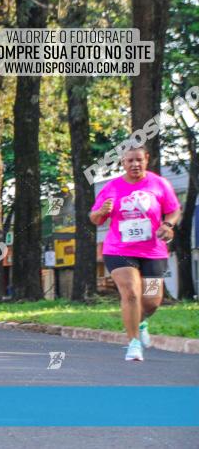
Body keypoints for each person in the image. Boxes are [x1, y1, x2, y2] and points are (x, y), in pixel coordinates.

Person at [89, 145, 180, 361]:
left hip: (153, 251)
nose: (134, 164)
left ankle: (141, 322)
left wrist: (168, 224)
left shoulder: (159, 184)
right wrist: (101, 213)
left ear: (146, 159)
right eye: (129, 160)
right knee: (130, 293)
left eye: (138, 159)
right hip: (119, 250)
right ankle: (133, 343)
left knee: (152, 300)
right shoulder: (112, 187)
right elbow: (95, 217)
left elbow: (174, 209)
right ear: (123, 163)